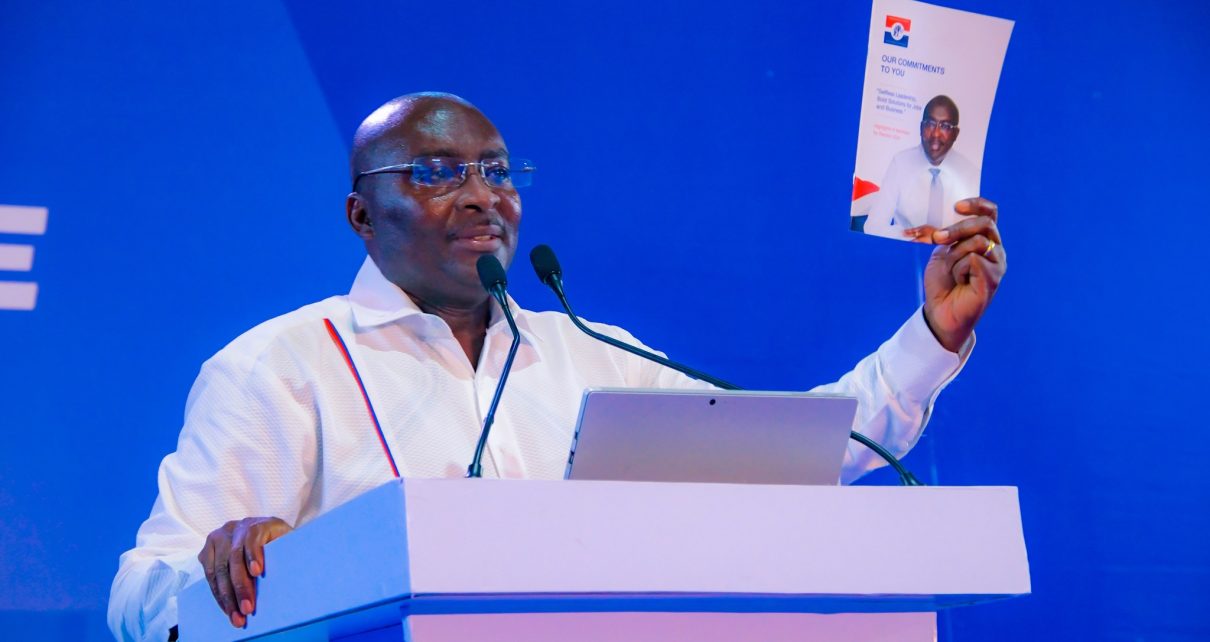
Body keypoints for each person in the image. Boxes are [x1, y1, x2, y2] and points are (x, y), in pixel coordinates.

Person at [107, 92, 1007, 642]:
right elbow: (141, 600)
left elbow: (795, 453)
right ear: (361, 215)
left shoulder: (590, 354)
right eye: (436, 172)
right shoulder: (277, 366)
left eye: (498, 172)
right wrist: (224, 567)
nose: (481, 196)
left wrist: (931, 334)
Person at [863, 95, 979, 241]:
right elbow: (873, 226)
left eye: (945, 126)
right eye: (930, 124)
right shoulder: (900, 163)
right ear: (921, 128)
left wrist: (941, 238)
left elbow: (976, 239)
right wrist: (916, 236)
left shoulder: (972, 175)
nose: (935, 133)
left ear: (955, 134)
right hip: (906, 250)